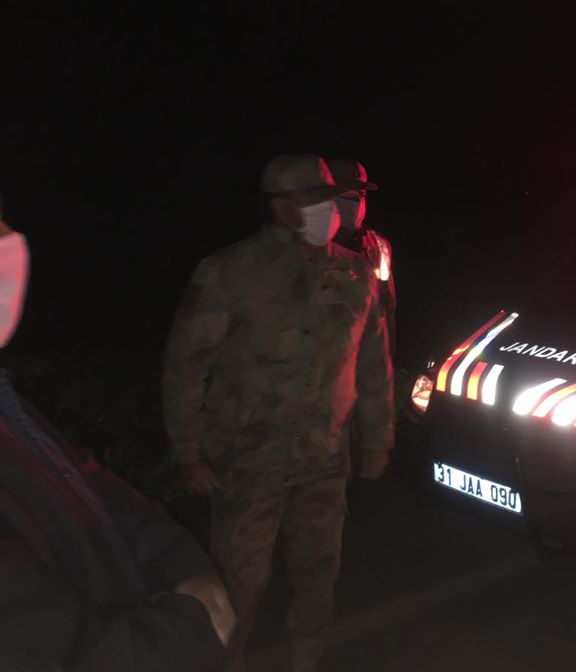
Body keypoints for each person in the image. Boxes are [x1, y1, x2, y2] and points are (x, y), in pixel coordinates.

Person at [163, 154, 395, 672]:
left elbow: (373, 363)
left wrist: (378, 439)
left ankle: (307, 661)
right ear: (281, 207)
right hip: (247, 462)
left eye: (328, 199)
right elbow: (186, 367)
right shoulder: (228, 272)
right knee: (239, 584)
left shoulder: (355, 273)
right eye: (314, 201)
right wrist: (188, 453)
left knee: (318, 574)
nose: (328, 211)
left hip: (324, 458)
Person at [0, 201, 234, 671]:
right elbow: (54, 647)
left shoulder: (9, 403)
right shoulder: (232, 272)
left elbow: (94, 487)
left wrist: (187, 570)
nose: (7, 238)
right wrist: (190, 628)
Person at [329, 158, 397, 359]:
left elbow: (387, 310)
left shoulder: (379, 246)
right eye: (345, 193)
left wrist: (388, 361)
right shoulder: (312, 242)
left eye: (360, 194)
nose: (354, 202)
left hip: (366, 359)